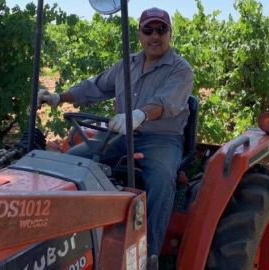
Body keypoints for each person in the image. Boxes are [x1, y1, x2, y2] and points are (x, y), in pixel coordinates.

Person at [38, 7, 194, 262]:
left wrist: (139, 115)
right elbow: (94, 87)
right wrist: (58, 97)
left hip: (161, 138)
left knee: (162, 179)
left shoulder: (180, 69)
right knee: (72, 163)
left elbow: (167, 101)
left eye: (161, 30)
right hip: (122, 136)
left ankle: (148, 255)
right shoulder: (127, 64)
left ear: (169, 33)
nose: (154, 36)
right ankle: (69, 239)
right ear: (139, 34)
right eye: (148, 30)